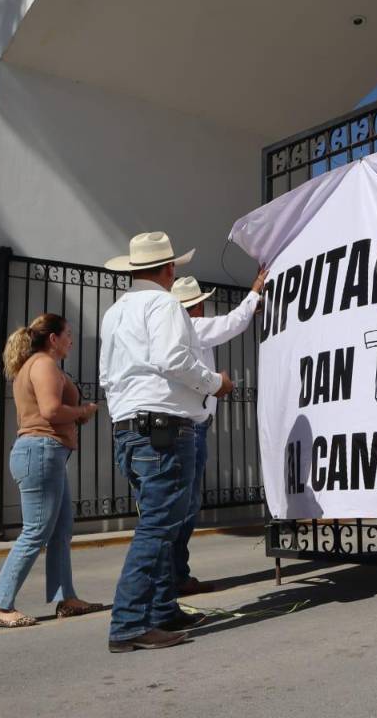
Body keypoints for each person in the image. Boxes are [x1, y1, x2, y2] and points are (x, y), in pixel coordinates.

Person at [99, 232, 234, 652]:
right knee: (159, 526)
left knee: (161, 521)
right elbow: (173, 360)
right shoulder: (164, 304)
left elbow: (107, 376)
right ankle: (128, 622)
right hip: (162, 429)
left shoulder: (115, 312)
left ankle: (161, 609)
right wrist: (214, 384)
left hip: (130, 427)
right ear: (169, 269)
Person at [0, 313, 103, 627]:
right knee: (36, 531)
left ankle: (67, 598)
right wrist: (83, 411)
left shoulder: (35, 365)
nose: (71, 340)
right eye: (67, 334)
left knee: (62, 530)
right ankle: (0, 603)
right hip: (41, 452)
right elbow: (51, 411)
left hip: (45, 454)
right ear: (53, 338)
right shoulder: (43, 365)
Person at [168, 267, 269, 595]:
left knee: (184, 503)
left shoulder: (183, 329)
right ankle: (175, 575)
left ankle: (175, 573)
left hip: (194, 425)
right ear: (194, 307)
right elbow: (234, 323)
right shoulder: (193, 327)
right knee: (185, 504)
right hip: (193, 427)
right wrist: (254, 290)